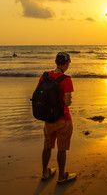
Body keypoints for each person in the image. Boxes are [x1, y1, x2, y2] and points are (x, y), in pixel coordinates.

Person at [39, 52, 77, 184]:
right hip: (63, 119)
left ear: (55, 62)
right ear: (67, 63)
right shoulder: (66, 79)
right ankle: (61, 176)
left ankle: (45, 173)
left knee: (47, 146)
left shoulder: (45, 76)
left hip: (48, 118)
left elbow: (40, 96)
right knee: (62, 148)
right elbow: (67, 102)